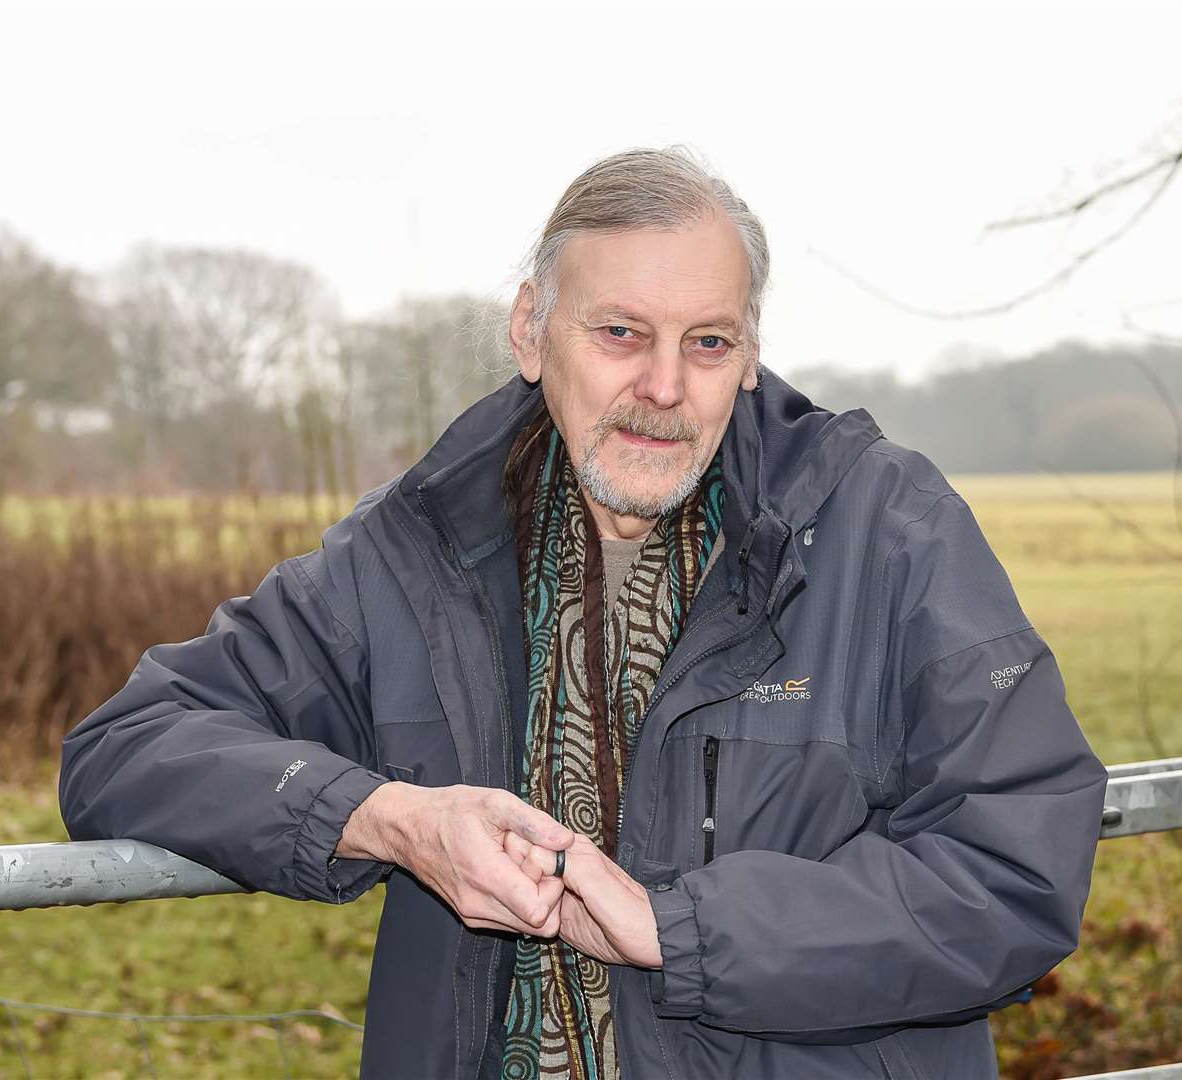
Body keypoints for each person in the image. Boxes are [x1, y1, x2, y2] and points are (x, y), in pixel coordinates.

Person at [59, 145, 1109, 1079]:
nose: (663, 385)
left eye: (707, 343)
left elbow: (1013, 867)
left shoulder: (889, 531)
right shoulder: (411, 556)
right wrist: (391, 819)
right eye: (620, 332)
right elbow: (125, 746)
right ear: (531, 330)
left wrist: (680, 930)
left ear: (747, 357)